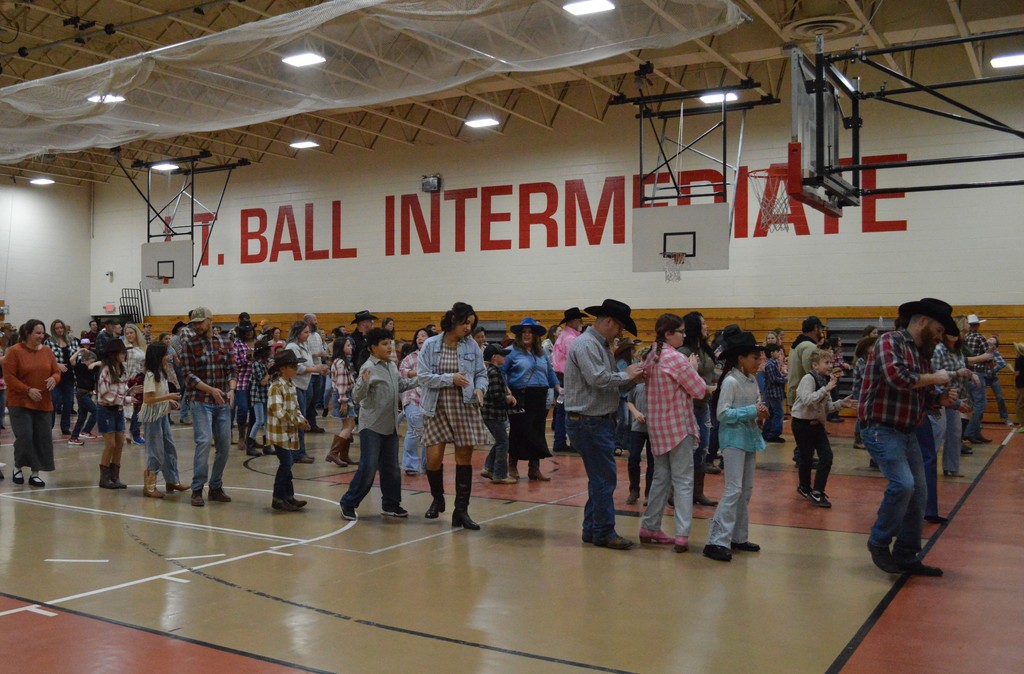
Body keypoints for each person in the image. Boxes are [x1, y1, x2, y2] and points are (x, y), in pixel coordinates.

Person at [860, 298, 959, 577]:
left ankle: (906, 554)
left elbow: (924, 395)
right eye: (939, 330)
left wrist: (943, 399)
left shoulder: (923, 355)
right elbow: (898, 378)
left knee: (919, 495)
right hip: (880, 427)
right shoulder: (890, 341)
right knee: (903, 485)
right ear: (923, 321)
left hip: (908, 430)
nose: (940, 338)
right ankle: (879, 542)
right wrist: (938, 379)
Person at [564, 299, 644, 550]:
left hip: (595, 421)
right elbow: (598, 379)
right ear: (608, 321)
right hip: (590, 422)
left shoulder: (598, 345)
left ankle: (592, 529)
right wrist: (628, 375)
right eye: (619, 327)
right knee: (603, 480)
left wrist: (632, 380)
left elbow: (609, 383)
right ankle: (603, 531)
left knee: (599, 479)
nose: (621, 333)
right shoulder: (588, 345)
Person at [417, 302, 490, 530]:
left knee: (463, 459)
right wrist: (450, 379)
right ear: (453, 321)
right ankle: (438, 499)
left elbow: (481, 374)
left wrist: (480, 389)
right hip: (437, 406)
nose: (468, 328)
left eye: (471, 324)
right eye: (465, 323)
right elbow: (422, 377)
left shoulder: (472, 347)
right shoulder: (431, 344)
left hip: (464, 405)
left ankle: (461, 511)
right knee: (434, 457)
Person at [638, 313, 707, 552]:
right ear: (668, 334)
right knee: (683, 481)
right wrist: (693, 368)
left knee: (661, 478)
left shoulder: (650, 357)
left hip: (657, 429)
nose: (684, 335)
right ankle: (682, 534)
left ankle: (650, 526)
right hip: (678, 428)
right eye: (680, 331)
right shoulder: (677, 359)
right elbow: (698, 391)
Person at [338, 328, 419, 520]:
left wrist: (421, 379)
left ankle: (391, 504)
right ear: (373, 347)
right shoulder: (369, 367)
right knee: (368, 467)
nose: (389, 347)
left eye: (390, 342)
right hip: (372, 427)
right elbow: (357, 397)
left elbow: (401, 384)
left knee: (391, 468)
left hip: (389, 426)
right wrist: (364, 383)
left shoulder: (391, 365)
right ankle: (348, 502)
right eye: (384, 344)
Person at [703, 329, 768, 562]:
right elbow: (722, 413)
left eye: (759, 358)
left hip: (749, 438)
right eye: (755, 357)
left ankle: (738, 536)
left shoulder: (751, 381)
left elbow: (756, 405)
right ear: (741, 357)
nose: (759, 361)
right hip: (732, 441)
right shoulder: (730, 381)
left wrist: (760, 414)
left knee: (746, 490)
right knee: (733, 490)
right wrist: (752, 411)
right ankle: (716, 541)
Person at [178, 306, 237, 507]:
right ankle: (197, 488)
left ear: (210, 321)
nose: (196, 326)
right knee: (203, 441)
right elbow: (188, 375)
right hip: (200, 400)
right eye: (193, 323)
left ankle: (216, 486)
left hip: (222, 400)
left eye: (199, 322)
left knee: (224, 445)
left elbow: (232, 369)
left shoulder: (224, 342)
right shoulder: (189, 344)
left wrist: (231, 390)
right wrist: (211, 390)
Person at [792, 349, 855, 508]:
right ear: (815, 365)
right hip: (802, 423)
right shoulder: (809, 379)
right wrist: (826, 389)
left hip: (817, 424)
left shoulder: (823, 380)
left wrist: (841, 403)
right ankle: (804, 486)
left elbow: (826, 407)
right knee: (806, 458)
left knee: (826, 456)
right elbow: (807, 400)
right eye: (826, 362)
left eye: (831, 362)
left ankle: (818, 491)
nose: (830, 365)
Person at [4, 319, 61, 487]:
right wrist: (27, 390)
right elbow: (9, 377)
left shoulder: (47, 352)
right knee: (25, 436)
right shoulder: (14, 352)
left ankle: (35, 473)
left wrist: (54, 378)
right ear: (27, 333)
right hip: (19, 402)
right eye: (37, 333)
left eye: (42, 333)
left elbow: (56, 371)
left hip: (43, 403)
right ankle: (17, 467)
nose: (41, 336)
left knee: (42, 437)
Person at [502, 317, 560, 481]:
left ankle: (534, 469)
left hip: (539, 396)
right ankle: (512, 466)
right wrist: (506, 390)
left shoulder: (541, 353)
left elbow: (549, 372)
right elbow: (501, 371)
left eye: (530, 332)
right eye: (524, 332)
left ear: (535, 335)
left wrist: (558, 387)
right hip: (520, 395)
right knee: (518, 431)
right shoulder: (512, 351)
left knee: (537, 432)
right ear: (520, 335)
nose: (527, 335)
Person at [679, 311, 720, 499]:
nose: (707, 326)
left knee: (702, 449)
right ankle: (679, 492)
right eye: (703, 323)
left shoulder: (704, 349)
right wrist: (708, 387)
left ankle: (698, 492)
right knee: (688, 452)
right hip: (689, 408)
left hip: (703, 407)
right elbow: (685, 380)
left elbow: (711, 372)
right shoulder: (685, 352)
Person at [139, 342, 188, 498]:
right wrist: (168, 397)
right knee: (156, 450)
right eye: (166, 354)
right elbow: (147, 399)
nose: (168, 357)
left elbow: (158, 396)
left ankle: (172, 480)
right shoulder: (150, 375)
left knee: (169, 447)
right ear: (158, 357)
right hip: (152, 416)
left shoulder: (162, 372)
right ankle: (149, 486)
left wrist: (168, 401)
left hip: (162, 414)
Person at [266, 349, 310, 512]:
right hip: (279, 433)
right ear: (282, 368)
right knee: (286, 463)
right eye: (293, 366)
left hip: (289, 433)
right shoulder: (276, 387)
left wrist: (301, 419)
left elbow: (295, 408)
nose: (296, 369)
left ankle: (289, 496)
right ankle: (277, 498)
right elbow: (279, 411)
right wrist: (296, 422)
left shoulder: (291, 384)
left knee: (288, 464)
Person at [284, 320, 329, 464]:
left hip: (305, 384)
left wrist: (318, 369)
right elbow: (296, 368)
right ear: (298, 333)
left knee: (303, 417)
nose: (308, 334)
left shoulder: (304, 345)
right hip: (296, 385)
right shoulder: (292, 347)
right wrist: (315, 369)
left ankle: (300, 450)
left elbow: (308, 363)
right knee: (300, 419)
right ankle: (298, 452)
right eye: (305, 332)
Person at [786, 316, 825, 464]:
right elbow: (813, 372)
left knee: (802, 428)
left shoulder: (798, 344)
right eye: (820, 328)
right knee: (807, 428)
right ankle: (803, 456)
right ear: (816, 328)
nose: (821, 332)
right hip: (803, 395)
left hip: (796, 391)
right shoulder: (809, 346)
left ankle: (801, 454)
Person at [95, 339, 133, 489]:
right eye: (121, 352)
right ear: (113, 354)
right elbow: (105, 395)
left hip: (118, 410)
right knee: (110, 444)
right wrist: (127, 399)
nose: (124, 354)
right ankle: (104, 479)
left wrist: (130, 391)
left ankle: (114, 477)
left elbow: (120, 391)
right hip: (106, 410)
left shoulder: (122, 370)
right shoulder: (106, 371)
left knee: (120, 443)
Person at [551, 307, 588, 453]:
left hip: (560, 376)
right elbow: (576, 360)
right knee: (571, 411)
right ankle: (572, 442)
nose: (581, 322)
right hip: (568, 378)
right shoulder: (571, 338)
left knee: (561, 411)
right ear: (573, 321)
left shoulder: (563, 336)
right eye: (579, 320)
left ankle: (560, 441)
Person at [480, 344, 517, 484]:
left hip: (490, 413)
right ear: (495, 357)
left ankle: (488, 468)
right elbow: (495, 394)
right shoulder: (494, 372)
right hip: (493, 413)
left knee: (500, 440)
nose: (505, 357)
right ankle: (500, 474)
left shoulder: (491, 370)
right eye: (502, 355)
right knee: (503, 442)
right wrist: (507, 398)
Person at [399, 329, 430, 474]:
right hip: (412, 397)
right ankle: (410, 466)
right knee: (415, 429)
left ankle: (428, 465)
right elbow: (401, 371)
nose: (420, 338)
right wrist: (416, 373)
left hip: (430, 399)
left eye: (423, 335)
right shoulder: (412, 357)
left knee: (429, 433)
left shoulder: (436, 356)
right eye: (417, 336)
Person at [44, 319, 80, 437]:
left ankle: (65, 427)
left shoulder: (73, 341)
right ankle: (49, 426)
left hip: (70, 376)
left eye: (61, 328)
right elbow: (45, 358)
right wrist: (56, 365)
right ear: (53, 330)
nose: (59, 330)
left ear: (64, 328)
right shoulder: (49, 342)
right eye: (56, 328)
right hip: (55, 376)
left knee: (68, 402)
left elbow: (78, 356)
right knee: (54, 401)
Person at [326, 337, 357, 467]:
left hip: (343, 395)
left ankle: (343, 455)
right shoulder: (341, 364)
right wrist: (344, 401)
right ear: (341, 348)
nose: (351, 347)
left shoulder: (340, 362)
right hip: (343, 396)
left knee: (347, 425)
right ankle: (334, 453)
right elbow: (341, 383)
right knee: (349, 426)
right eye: (348, 345)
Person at [624, 373, 653, 505]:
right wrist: (636, 413)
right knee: (633, 458)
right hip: (637, 428)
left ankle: (649, 493)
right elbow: (629, 401)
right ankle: (634, 490)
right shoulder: (636, 383)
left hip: (654, 428)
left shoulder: (657, 382)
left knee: (653, 462)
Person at [232, 321, 258, 454]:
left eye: (251, 331)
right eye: (246, 331)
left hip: (257, 381)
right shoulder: (237, 344)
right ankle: (241, 436)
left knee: (255, 411)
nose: (249, 333)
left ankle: (250, 437)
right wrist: (245, 358)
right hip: (242, 380)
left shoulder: (258, 342)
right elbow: (234, 362)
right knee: (242, 408)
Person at [67, 345, 100, 446]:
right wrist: (79, 351)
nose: (92, 363)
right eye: (91, 361)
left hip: (88, 393)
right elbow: (71, 359)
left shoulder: (93, 368)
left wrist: (94, 364)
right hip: (82, 393)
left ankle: (73, 437)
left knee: (81, 417)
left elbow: (104, 362)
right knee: (96, 411)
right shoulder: (79, 367)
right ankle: (85, 431)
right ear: (85, 360)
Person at [302, 313, 329, 433]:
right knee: (307, 398)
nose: (316, 322)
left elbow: (321, 351)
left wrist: (323, 356)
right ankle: (303, 423)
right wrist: (317, 354)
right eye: (315, 320)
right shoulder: (303, 336)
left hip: (317, 371)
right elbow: (305, 354)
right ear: (308, 321)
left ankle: (312, 423)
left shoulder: (317, 335)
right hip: (308, 371)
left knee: (314, 399)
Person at [123, 323, 147, 445]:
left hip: (143, 377)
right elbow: (124, 366)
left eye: (131, 332)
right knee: (135, 407)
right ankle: (134, 433)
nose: (129, 335)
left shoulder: (143, 347)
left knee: (140, 407)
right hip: (132, 379)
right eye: (127, 333)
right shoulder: (126, 348)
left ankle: (133, 433)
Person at [761, 344, 787, 443]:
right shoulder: (770, 364)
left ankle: (766, 432)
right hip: (773, 393)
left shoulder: (773, 363)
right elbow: (773, 379)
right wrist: (784, 379)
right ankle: (774, 434)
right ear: (772, 353)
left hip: (774, 393)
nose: (779, 353)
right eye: (777, 352)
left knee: (771, 413)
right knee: (778, 414)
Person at [1014, 342, 1024, 432]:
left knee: (1019, 404)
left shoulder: (1019, 359)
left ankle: (1022, 424)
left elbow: (1017, 373)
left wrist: (1011, 369)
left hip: (1021, 384)